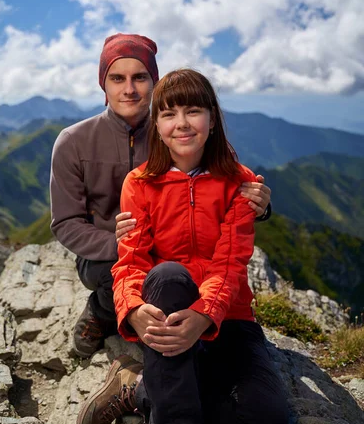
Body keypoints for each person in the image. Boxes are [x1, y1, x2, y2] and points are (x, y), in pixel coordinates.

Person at [75, 69, 289, 424]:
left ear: (213, 118)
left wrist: (206, 315)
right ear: (156, 124)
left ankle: (141, 391)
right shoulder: (140, 184)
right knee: (168, 275)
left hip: (228, 318)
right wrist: (130, 309)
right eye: (168, 113)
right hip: (167, 312)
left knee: (269, 423)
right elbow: (129, 262)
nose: (181, 123)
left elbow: (231, 263)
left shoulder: (241, 185)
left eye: (193, 110)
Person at [50, 33, 272, 359]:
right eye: (117, 78)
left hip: (172, 252)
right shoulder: (73, 141)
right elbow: (66, 222)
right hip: (108, 251)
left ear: (154, 82)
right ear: (103, 84)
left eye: (140, 77)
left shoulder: (180, 132)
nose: (129, 89)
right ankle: (102, 311)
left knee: (173, 277)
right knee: (115, 273)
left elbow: (223, 186)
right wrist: (121, 244)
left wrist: (260, 206)